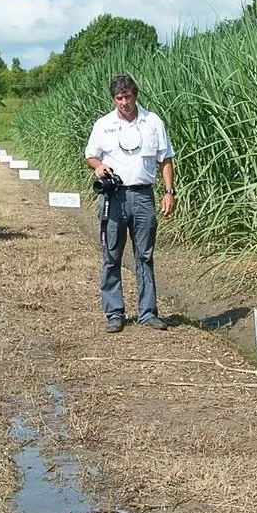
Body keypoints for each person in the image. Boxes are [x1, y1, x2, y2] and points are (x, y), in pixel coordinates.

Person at [84, 73, 176, 333]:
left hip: (143, 196)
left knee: (144, 256)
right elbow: (90, 155)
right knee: (111, 254)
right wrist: (99, 166)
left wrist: (169, 192)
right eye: (119, 97)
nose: (124, 102)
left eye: (128, 96)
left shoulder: (153, 122)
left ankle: (147, 312)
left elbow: (165, 159)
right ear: (114, 99)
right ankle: (114, 313)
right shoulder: (103, 124)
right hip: (113, 197)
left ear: (136, 95)